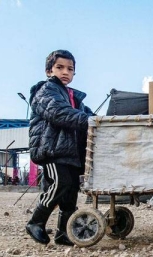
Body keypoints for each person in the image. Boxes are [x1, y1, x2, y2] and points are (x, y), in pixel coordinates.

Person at [26, 50, 94, 245]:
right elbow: (58, 112)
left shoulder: (75, 98)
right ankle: (36, 221)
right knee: (60, 183)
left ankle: (63, 233)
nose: (65, 72)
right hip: (53, 150)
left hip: (71, 153)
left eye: (70, 69)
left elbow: (91, 117)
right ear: (49, 71)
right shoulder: (46, 90)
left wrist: (100, 120)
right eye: (60, 67)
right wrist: (89, 120)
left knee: (70, 192)